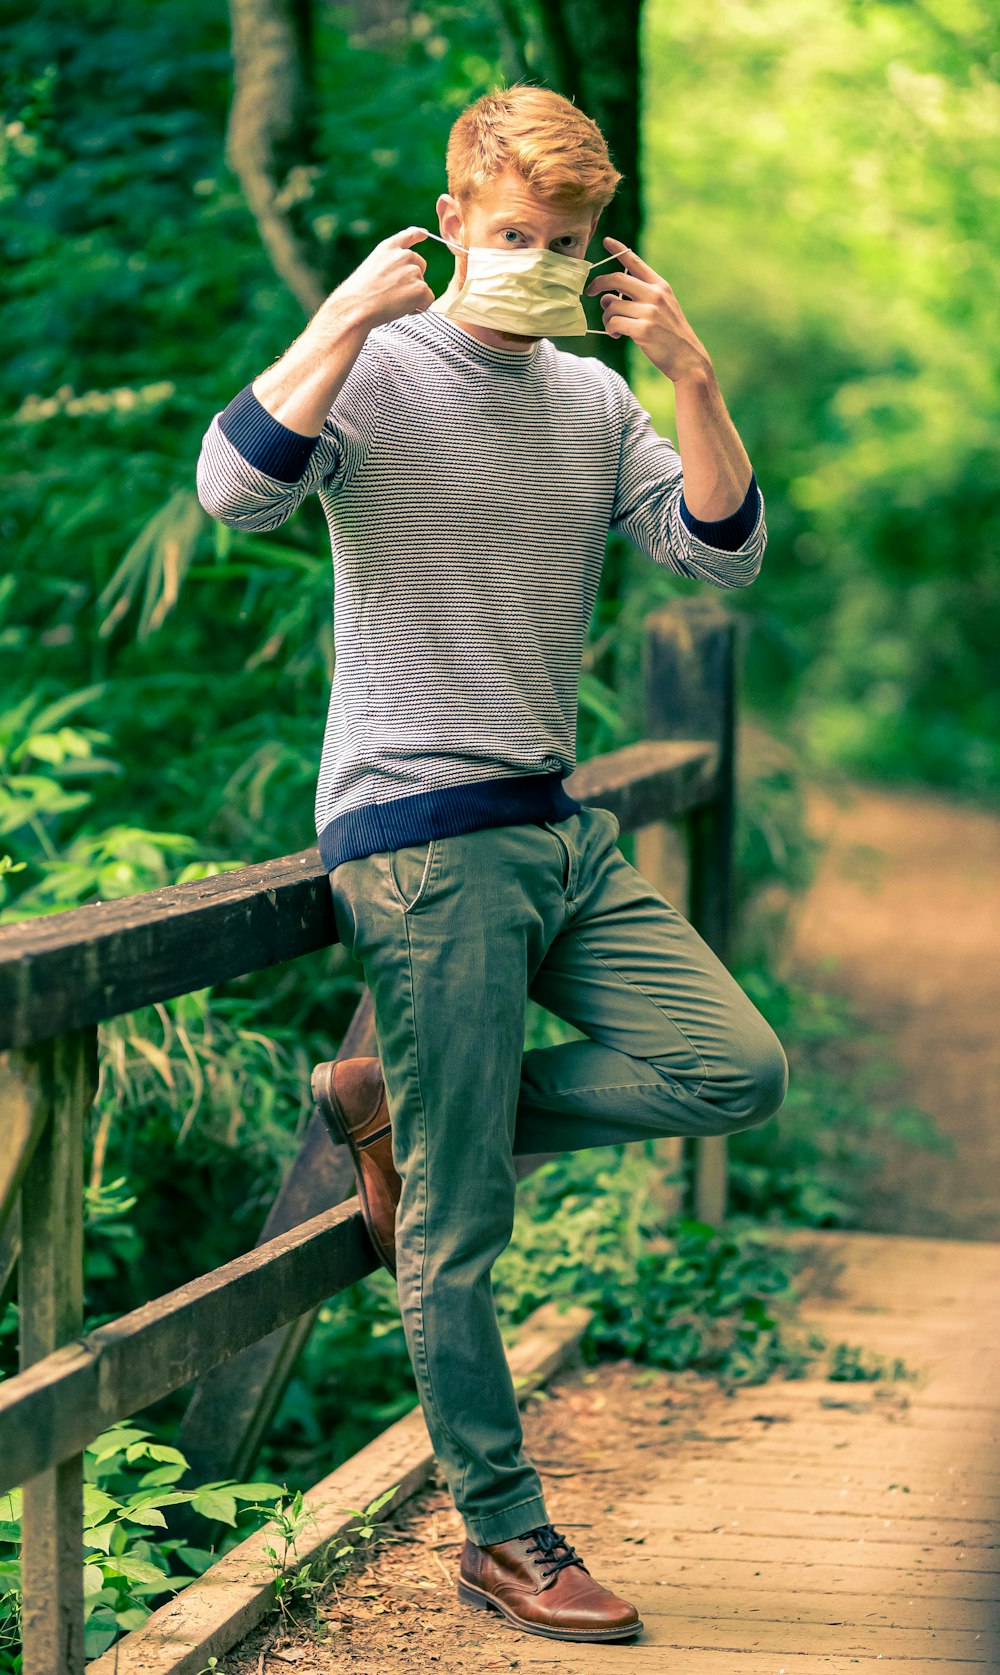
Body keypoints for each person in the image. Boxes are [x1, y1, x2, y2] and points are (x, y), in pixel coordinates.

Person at [196, 81, 788, 1646]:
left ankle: (412, 1115)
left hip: (554, 824)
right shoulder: (381, 373)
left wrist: (690, 375)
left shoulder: (596, 402)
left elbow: (716, 547)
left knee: (736, 1069)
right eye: (511, 233)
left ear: (601, 247)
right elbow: (232, 492)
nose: (536, 259)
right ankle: (504, 1535)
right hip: (418, 842)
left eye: (568, 240)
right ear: (452, 223)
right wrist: (341, 312)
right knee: (460, 1227)